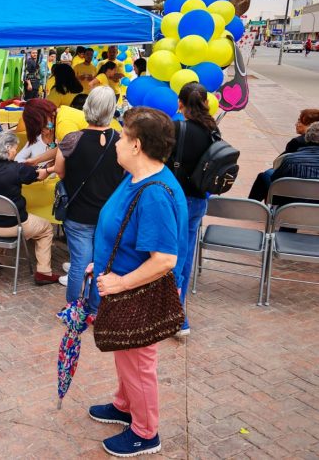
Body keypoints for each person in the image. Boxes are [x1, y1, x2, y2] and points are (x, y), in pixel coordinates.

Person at [89, 106, 187, 457]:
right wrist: (102, 263)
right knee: (126, 354)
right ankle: (124, 405)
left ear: (137, 145)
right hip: (124, 286)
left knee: (138, 362)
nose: (116, 142)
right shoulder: (136, 177)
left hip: (138, 293)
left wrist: (120, 283)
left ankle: (146, 432)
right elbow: (123, 230)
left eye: (122, 137)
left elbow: (164, 260)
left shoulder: (155, 192)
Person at [51, 87, 124, 308]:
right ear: (111, 110)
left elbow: (59, 171)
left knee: (79, 264)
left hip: (78, 213)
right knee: (101, 264)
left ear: (87, 107)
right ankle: (94, 307)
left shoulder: (72, 139)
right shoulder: (120, 141)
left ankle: (74, 308)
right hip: (108, 214)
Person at [164, 83, 219, 336]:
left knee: (169, 255)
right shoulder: (213, 129)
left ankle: (174, 316)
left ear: (180, 103)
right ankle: (178, 312)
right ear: (205, 102)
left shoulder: (177, 128)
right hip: (198, 199)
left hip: (177, 199)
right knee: (184, 254)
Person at [0, 131, 59, 284]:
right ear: (8, 149)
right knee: (46, 229)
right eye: (15, 148)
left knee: (0, 213)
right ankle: (44, 272)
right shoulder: (17, 169)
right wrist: (48, 168)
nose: (16, 151)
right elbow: (40, 175)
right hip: (13, 226)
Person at [248, 108, 319, 201]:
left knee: (266, 176)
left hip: (291, 203)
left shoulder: (291, 159)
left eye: (299, 121)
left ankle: (252, 206)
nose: (296, 124)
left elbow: (276, 178)